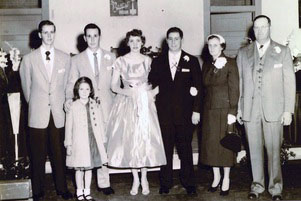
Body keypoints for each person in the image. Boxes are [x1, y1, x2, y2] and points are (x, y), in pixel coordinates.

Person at [237, 15, 296, 201]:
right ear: (252, 30)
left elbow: (289, 83)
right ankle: (257, 185)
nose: (260, 30)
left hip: (274, 110)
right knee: (253, 150)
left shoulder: (283, 51)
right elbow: (240, 83)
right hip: (250, 109)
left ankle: (275, 188)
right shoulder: (243, 53)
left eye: (263, 27)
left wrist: (288, 110)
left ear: (270, 27)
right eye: (256, 27)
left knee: (273, 150)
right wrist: (240, 108)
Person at [106, 29, 166, 196]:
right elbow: (113, 86)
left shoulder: (149, 61)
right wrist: (129, 93)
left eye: (138, 41)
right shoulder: (120, 61)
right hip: (126, 102)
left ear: (142, 42)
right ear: (127, 43)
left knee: (144, 138)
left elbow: (161, 82)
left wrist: (149, 94)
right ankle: (135, 179)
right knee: (130, 141)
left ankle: (145, 178)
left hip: (145, 103)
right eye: (131, 41)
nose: (134, 44)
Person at [19, 20, 72, 201]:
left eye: (52, 32)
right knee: (37, 155)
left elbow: (67, 86)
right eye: (45, 32)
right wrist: (37, 105)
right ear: (40, 35)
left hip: (58, 114)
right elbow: (27, 89)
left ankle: (62, 188)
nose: (49, 36)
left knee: (59, 153)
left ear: (54, 33)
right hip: (38, 114)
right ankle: (38, 190)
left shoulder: (65, 58)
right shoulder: (28, 59)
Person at [148, 27, 202, 195]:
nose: (173, 42)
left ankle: (189, 183)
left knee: (185, 149)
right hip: (164, 115)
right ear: (166, 41)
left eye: (176, 39)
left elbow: (199, 88)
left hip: (185, 115)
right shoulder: (158, 61)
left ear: (181, 40)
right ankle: (165, 182)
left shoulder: (191, 60)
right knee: (165, 149)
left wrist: (196, 111)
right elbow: (151, 83)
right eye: (170, 39)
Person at [65, 23, 115, 195]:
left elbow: (117, 83)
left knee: (103, 144)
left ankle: (104, 182)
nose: (93, 39)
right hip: (87, 109)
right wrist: (68, 100)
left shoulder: (111, 57)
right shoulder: (76, 59)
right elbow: (72, 82)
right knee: (88, 145)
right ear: (84, 38)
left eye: (96, 35)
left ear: (100, 36)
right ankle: (84, 188)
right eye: (89, 36)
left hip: (107, 107)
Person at [200, 34, 239, 196]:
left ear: (222, 46)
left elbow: (235, 89)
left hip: (224, 110)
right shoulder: (207, 64)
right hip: (209, 111)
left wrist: (233, 112)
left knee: (225, 147)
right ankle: (216, 177)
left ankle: (226, 179)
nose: (212, 48)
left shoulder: (230, 63)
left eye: (215, 45)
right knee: (211, 146)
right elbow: (205, 85)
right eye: (210, 45)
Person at [65, 77, 108, 201]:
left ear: (91, 90)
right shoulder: (73, 106)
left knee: (89, 168)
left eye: (87, 89)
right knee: (79, 169)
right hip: (78, 142)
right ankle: (79, 192)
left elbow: (100, 123)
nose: (84, 91)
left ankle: (87, 192)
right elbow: (69, 127)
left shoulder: (95, 104)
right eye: (81, 89)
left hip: (93, 140)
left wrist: (103, 140)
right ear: (77, 90)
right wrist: (69, 144)